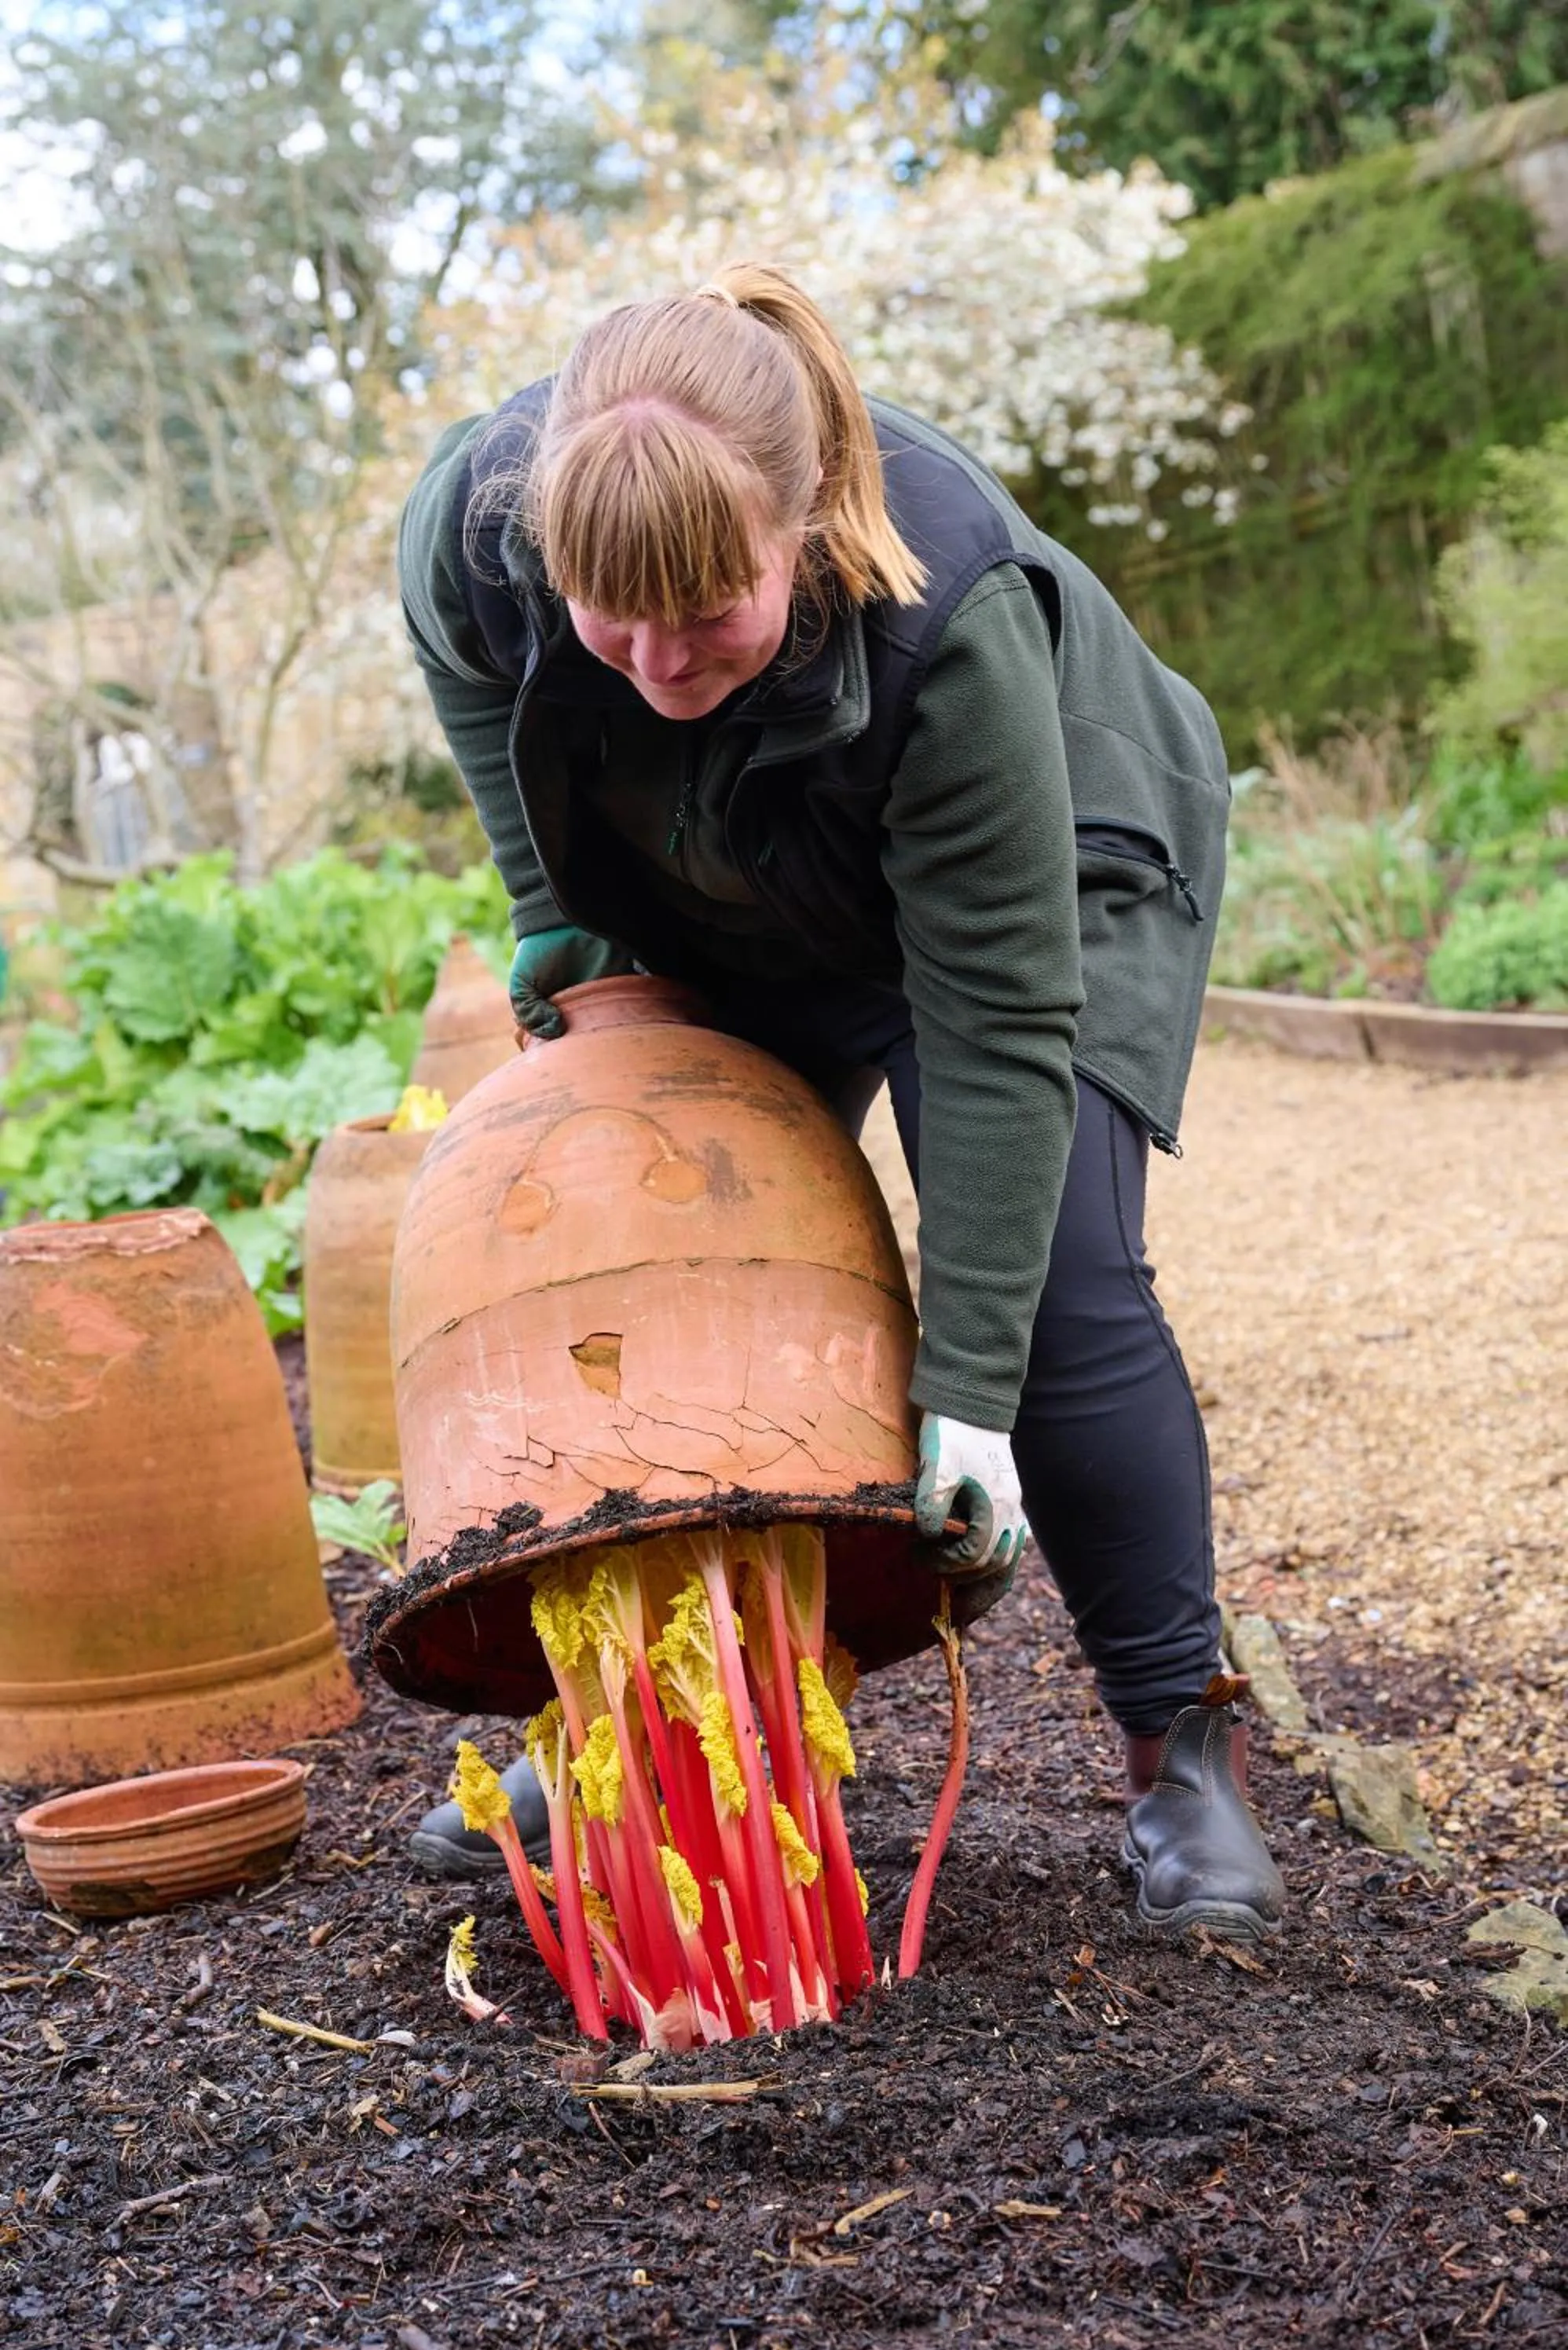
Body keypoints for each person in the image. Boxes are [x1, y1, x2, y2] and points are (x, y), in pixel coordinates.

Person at [397, 263, 1284, 1941]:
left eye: (705, 612)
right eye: (611, 619)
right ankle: (652, 1724)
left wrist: (969, 1397)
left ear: (800, 534)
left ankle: (1181, 1755)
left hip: (1049, 865)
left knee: (1057, 1296)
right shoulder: (474, 530)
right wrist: (557, 911)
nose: (657, 661)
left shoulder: (949, 618)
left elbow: (998, 1012)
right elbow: (468, 678)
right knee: (680, 1256)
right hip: (752, 850)